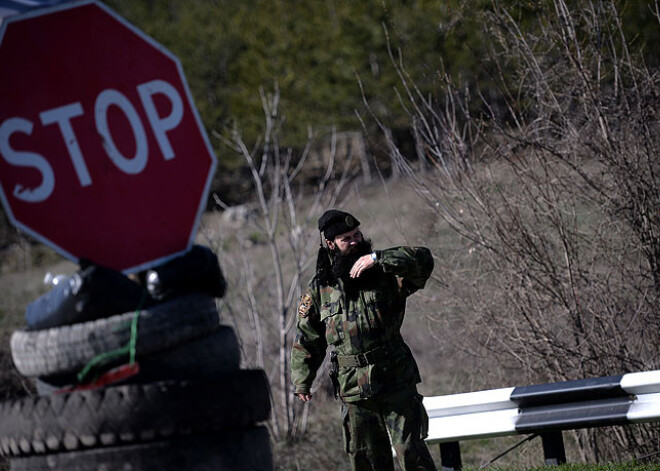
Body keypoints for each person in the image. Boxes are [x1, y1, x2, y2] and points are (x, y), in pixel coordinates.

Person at [290, 209, 437, 471]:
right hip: (353, 388)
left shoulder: (386, 273)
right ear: (330, 244)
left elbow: (423, 261)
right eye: (346, 238)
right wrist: (302, 380)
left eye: (357, 234)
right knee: (367, 460)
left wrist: (379, 258)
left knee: (412, 454)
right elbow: (308, 336)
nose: (355, 240)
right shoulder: (320, 288)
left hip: (395, 378)